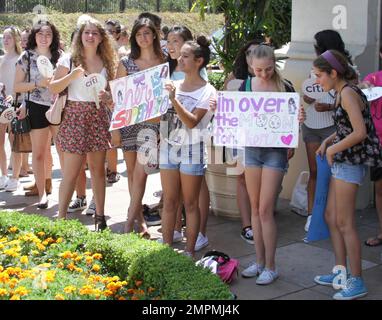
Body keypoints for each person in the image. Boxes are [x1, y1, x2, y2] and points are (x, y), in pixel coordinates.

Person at [313, 50, 382, 299]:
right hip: (342, 161)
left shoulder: (348, 94)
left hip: (349, 164)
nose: (318, 80)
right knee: (332, 217)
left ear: (333, 73)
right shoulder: (343, 92)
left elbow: (360, 132)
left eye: (320, 75)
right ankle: (341, 272)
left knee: (345, 223)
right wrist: (330, 141)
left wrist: (332, 147)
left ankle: (357, 280)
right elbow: (346, 127)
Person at [240, 44, 304, 285]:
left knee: (266, 210)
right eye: (259, 70)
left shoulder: (284, 86)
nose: (264, 74)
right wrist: (219, 109)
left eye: (268, 69)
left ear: (273, 65)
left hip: (275, 153)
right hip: (252, 150)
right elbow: (235, 118)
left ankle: (271, 265)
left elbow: (293, 123)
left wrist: (298, 118)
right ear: (251, 67)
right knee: (255, 208)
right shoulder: (246, 86)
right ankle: (258, 261)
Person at [49, 16, 117, 230]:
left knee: (98, 170)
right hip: (74, 116)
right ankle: (61, 218)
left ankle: (100, 217)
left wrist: (108, 97)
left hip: (97, 115)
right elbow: (53, 87)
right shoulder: (68, 59)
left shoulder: (106, 62)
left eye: (94, 33)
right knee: (71, 172)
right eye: (86, 32)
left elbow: (113, 94)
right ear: (80, 36)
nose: (90, 36)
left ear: (101, 38)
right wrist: (72, 75)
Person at [161, 36, 216, 257]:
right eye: (179, 55)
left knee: (191, 204)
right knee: (169, 201)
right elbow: (160, 118)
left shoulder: (208, 91)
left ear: (198, 61)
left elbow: (193, 122)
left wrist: (174, 100)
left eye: (185, 56)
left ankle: (190, 250)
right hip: (168, 145)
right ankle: (165, 248)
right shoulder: (172, 85)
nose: (180, 60)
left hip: (193, 149)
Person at [115, 17, 165, 237]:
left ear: (154, 35)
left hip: (152, 126)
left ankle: (130, 221)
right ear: (134, 37)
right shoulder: (125, 63)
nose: (143, 38)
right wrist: (114, 129)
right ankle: (140, 220)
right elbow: (117, 100)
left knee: (142, 174)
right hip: (129, 125)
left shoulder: (163, 62)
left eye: (147, 33)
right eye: (139, 34)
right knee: (133, 175)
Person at [302, 30, 355, 232]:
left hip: (332, 127)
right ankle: (312, 215)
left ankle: (332, 217)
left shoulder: (347, 71)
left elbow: (352, 104)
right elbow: (309, 92)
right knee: (314, 171)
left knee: (332, 174)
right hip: (312, 124)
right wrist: (308, 98)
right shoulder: (315, 66)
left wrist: (331, 107)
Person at [14, 20, 61, 208]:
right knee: (39, 153)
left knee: (64, 151)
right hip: (36, 106)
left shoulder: (61, 57)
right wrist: (37, 84)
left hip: (59, 107)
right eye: (40, 34)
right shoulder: (26, 57)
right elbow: (16, 86)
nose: (44, 38)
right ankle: (42, 194)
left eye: (48, 34)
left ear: (53, 37)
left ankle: (73, 193)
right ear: (34, 36)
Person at [223, 39, 265, 245]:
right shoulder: (234, 79)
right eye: (249, 52)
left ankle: (262, 220)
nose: (252, 56)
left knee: (260, 181)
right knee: (240, 179)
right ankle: (247, 225)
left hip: (262, 140)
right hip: (237, 138)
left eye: (257, 52)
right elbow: (223, 109)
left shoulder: (271, 79)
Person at [362, 50, 382, 247]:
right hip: (378, 144)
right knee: (379, 190)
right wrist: (365, 87)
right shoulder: (374, 78)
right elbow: (362, 88)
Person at [0, 26, 22, 191]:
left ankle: (15, 177)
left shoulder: (21, 59)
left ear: (15, 39)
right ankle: (4, 175)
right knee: (0, 142)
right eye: (4, 37)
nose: (5, 40)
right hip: (1, 104)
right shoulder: (1, 59)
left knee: (14, 142)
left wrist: (14, 97)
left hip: (15, 103)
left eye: (9, 37)